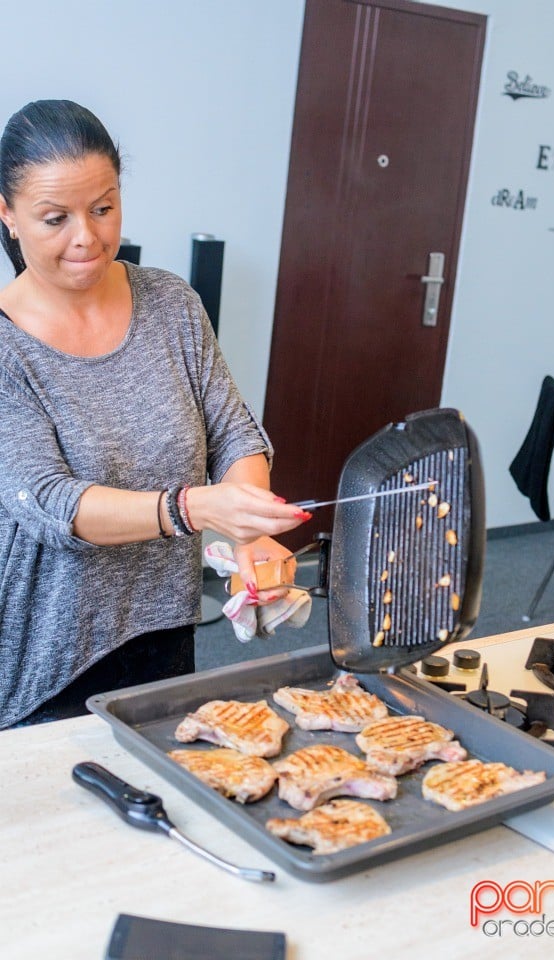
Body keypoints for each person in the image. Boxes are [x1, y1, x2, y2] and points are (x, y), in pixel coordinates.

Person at [0, 99, 311, 728]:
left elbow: (233, 434)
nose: (86, 236)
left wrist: (251, 530)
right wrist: (198, 509)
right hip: (48, 654)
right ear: (7, 215)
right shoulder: (8, 347)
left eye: (103, 208)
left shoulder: (170, 304)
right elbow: (53, 505)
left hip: (164, 630)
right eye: (55, 218)